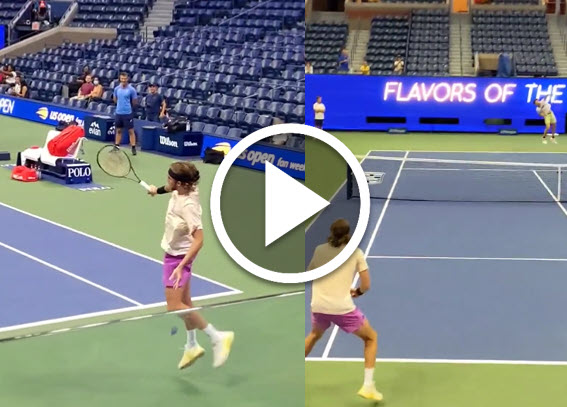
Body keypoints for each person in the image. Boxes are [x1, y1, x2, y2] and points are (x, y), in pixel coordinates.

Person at [147, 162, 234, 369]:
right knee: (185, 302)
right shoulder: (182, 188)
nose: (167, 182)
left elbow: (200, 239)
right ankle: (191, 345)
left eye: (169, 179)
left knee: (174, 306)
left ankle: (217, 337)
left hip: (178, 258)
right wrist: (155, 190)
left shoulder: (187, 206)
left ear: (179, 183)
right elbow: (168, 188)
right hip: (175, 254)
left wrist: (180, 266)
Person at [305, 219, 383, 402]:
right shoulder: (355, 253)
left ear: (332, 232)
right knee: (371, 338)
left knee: (314, 335)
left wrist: (335, 286)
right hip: (342, 309)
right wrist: (357, 292)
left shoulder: (319, 249)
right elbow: (366, 285)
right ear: (349, 233)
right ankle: (368, 386)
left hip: (318, 305)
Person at [113, 72, 138, 155]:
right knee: (119, 130)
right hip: (118, 113)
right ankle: (116, 146)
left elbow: (134, 102)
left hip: (127, 113)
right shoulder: (117, 89)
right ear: (120, 79)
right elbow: (115, 99)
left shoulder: (131, 90)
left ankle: (133, 147)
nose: (123, 80)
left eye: (125, 79)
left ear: (127, 79)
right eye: (122, 79)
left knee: (131, 131)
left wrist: (127, 107)